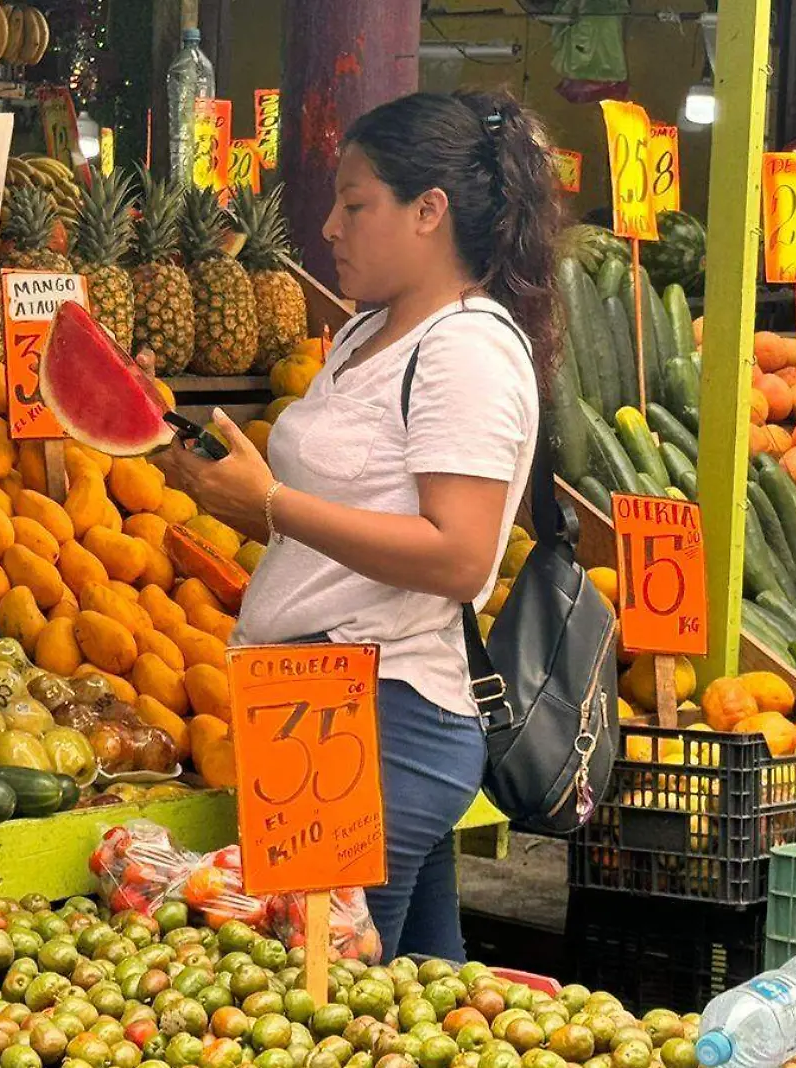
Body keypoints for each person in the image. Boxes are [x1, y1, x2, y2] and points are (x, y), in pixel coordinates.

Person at [152, 91, 559, 962]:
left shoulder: (466, 353)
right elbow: (347, 517)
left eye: (354, 202)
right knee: (419, 1006)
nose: (329, 226)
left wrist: (266, 506)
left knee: (331, 1012)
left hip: (380, 724)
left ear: (428, 211)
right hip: (314, 714)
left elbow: (459, 556)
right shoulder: (371, 332)